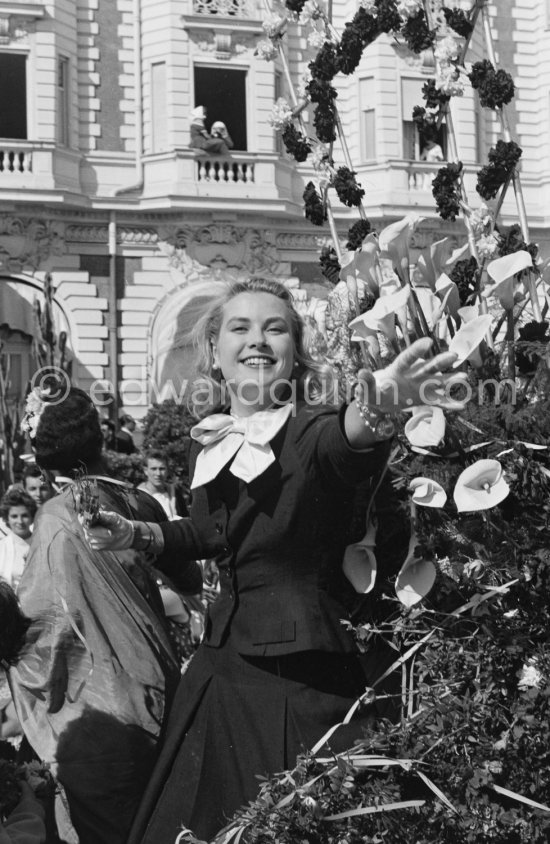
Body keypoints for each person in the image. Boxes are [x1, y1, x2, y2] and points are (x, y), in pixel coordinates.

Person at [84, 277, 464, 842]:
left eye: (275, 328)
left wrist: (378, 409)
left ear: (295, 350)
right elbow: (210, 532)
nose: (257, 340)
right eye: (240, 327)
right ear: (214, 351)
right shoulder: (208, 440)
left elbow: (347, 440)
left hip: (302, 678)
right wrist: (137, 534)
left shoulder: (311, 427)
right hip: (223, 669)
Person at [6, 387, 203, 844]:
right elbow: (191, 583)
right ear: (98, 442)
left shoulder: (54, 518)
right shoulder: (141, 504)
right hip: (158, 691)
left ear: (46, 460)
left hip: (93, 708)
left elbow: (41, 625)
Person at [0, 490, 36, 590]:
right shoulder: (2, 547)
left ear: (32, 517)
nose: (20, 521)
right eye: (14, 516)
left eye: (24, 516)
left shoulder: (41, 545)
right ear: (7, 518)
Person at [138, 450, 188, 520]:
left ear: (167, 470)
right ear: (146, 471)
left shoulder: (175, 493)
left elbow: (186, 517)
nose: (158, 474)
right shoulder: (139, 497)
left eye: (162, 469)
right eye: (153, 469)